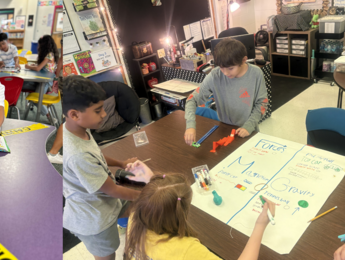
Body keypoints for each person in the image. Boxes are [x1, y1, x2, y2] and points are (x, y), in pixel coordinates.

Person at [61, 75, 152, 260]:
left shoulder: (78, 129)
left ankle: (129, 233)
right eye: (98, 110)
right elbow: (113, 191)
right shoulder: (78, 155)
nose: (104, 114)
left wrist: (120, 163)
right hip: (94, 222)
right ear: (74, 114)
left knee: (133, 204)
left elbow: (96, 153)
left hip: (103, 204)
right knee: (107, 256)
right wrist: (146, 195)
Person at [124, 173, 276, 260]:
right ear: (181, 213)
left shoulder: (135, 218)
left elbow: (158, 196)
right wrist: (260, 225)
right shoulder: (187, 250)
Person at [183, 38, 268, 145]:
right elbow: (192, 99)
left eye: (231, 68)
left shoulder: (256, 73)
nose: (225, 73)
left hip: (248, 130)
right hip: (225, 129)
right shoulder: (215, 75)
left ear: (243, 60)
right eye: (222, 68)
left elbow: (262, 103)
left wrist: (249, 126)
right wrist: (190, 125)